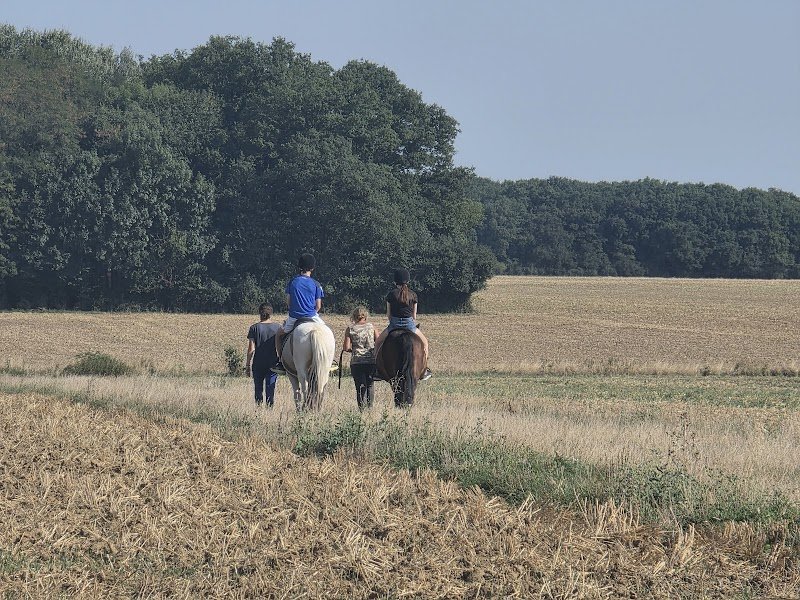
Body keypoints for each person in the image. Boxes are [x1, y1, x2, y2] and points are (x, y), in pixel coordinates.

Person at [272, 253, 337, 375]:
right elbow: (318, 306)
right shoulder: (316, 284)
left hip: (294, 317)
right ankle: (330, 360)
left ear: (299, 267)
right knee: (328, 333)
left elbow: (289, 303)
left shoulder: (292, 282)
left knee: (279, 335)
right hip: (312, 316)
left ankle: (280, 361)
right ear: (312, 268)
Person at [375, 268, 432, 380]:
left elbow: (389, 315)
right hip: (410, 325)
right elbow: (414, 316)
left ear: (395, 281)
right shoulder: (413, 295)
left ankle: (376, 370)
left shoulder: (391, 294)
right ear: (408, 280)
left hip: (394, 324)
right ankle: (425, 369)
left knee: (377, 343)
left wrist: (394, 322)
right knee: (425, 344)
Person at [246, 303, 282, 407]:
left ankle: (258, 410)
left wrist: (248, 365)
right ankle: (269, 410)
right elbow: (280, 347)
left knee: (258, 389)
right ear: (271, 314)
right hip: (273, 363)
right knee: (270, 388)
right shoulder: (278, 328)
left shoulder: (254, 328)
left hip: (258, 363)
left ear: (260, 313)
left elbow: (251, 349)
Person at [343, 306, 378, 410]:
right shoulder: (372, 327)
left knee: (360, 387)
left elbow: (346, 347)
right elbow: (379, 341)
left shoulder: (350, 329)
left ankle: (361, 410)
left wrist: (353, 349)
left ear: (353, 316)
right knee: (370, 385)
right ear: (365, 316)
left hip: (357, 362)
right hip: (371, 361)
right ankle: (370, 409)